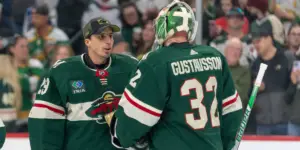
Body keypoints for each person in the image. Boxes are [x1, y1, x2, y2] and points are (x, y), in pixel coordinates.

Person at [100, 1, 243, 149]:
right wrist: (227, 145)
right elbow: (232, 112)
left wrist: (118, 131)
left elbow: (130, 126)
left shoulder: (156, 61)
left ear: (162, 27)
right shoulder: (215, 57)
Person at [28, 17, 138, 150]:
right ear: (88, 41)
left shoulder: (130, 66)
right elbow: (43, 122)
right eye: (101, 37)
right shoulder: (63, 72)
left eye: (110, 36)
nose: (109, 41)